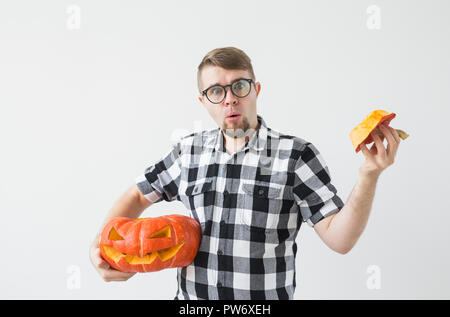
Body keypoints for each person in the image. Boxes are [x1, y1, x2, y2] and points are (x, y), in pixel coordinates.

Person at [90, 47, 401, 299]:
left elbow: (340, 239)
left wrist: (369, 175)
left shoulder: (296, 156)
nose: (229, 98)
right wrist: (101, 250)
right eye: (216, 90)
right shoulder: (187, 153)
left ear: (256, 89)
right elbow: (137, 193)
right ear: (203, 101)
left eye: (239, 85)